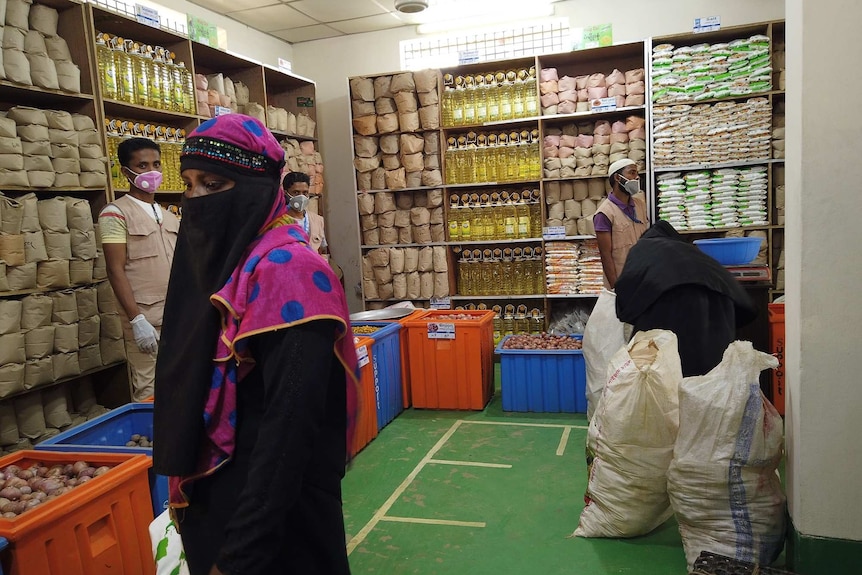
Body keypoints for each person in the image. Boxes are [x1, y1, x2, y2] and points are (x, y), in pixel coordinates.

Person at [152, 114, 358, 575]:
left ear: (258, 186)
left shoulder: (290, 273)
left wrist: (240, 557)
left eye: (213, 184)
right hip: (220, 499)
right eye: (189, 186)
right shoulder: (231, 262)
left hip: (271, 521)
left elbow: (288, 433)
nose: (197, 200)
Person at [614, 220, 758, 377]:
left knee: (669, 377)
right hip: (719, 306)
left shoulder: (642, 249)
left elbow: (626, 287)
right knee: (713, 376)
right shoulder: (690, 252)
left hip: (672, 304)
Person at [98, 137, 179, 401]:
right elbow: (115, 269)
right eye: (142, 165)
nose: (152, 171)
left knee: (180, 382)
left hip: (176, 315)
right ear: (126, 172)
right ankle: (151, 442)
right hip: (145, 318)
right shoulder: (114, 213)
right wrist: (136, 320)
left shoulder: (168, 215)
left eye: (156, 164)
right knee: (150, 389)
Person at [593, 158, 649, 289]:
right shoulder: (604, 213)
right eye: (632, 173)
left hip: (643, 278)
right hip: (622, 282)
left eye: (637, 173)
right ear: (618, 178)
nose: (637, 177)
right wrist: (615, 288)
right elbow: (605, 255)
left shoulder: (640, 205)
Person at [283, 171, 328, 255]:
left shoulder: (317, 220)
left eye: (305, 193)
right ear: (286, 193)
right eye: (296, 192)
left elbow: (321, 249)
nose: (301, 197)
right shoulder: (280, 221)